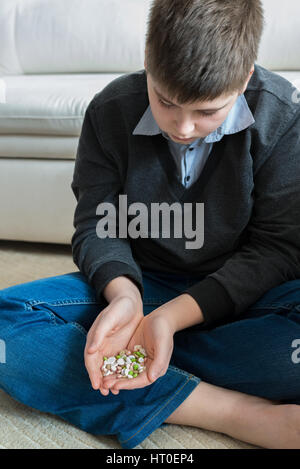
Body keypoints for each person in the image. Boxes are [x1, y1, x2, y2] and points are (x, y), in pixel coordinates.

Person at [1, 0, 300, 449]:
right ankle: (224, 409)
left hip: (244, 292)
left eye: (207, 112)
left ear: (244, 81)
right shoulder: (109, 110)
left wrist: (172, 320)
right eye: (166, 101)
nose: (183, 127)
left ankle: (132, 357)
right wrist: (124, 296)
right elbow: (98, 226)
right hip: (144, 285)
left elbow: (278, 249)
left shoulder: (284, 116)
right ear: (146, 60)